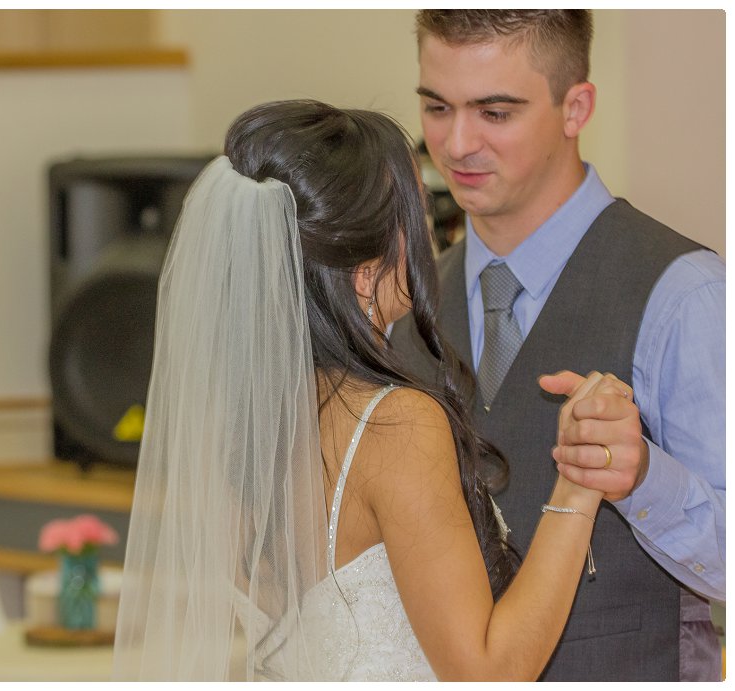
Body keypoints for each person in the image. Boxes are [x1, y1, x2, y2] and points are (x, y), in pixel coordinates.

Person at [112, 99, 615, 681]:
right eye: (417, 215)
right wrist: (579, 483)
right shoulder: (394, 425)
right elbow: (487, 672)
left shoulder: (241, 429)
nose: (430, 238)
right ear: (365, 272)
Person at [389, 10, 724, 681]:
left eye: (494, 111)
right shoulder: (406, 306)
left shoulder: (684, 292)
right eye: (435, 106)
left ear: (575, 107)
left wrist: (639, 477)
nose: (455, 144)